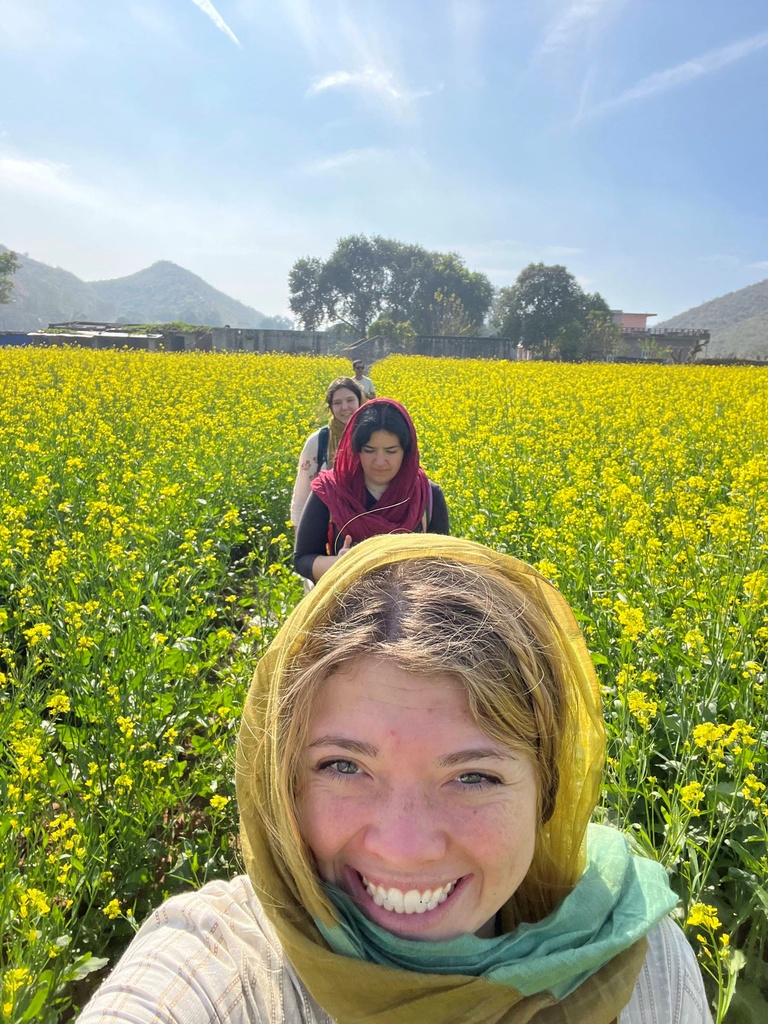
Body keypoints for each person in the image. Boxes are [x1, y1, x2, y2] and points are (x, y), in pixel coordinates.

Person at [78, 534, 712, 1024]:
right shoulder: (224, 976)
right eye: (344, 767)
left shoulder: (642, 965)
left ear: (546, 790)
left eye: (472, 777)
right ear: (282, 783)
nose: (404, 848)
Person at [293, 398, 449, 582]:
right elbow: (302, 559)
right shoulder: (331, 491)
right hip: (348, 606)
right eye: (369, 450)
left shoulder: (427, 497)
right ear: (356, 450)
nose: (380, 461)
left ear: (406, 452)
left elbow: (443, 565)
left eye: (391, 451)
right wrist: (340, 564)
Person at [289, 377, 363, 529]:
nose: (345, 407)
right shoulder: (318, 441)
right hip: (325, 528)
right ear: (330, 407)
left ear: (360, 402)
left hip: (368, 526)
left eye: (350, 400)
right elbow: (302, 494)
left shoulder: (374, 437)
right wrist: (300, 538)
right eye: (337, 403)